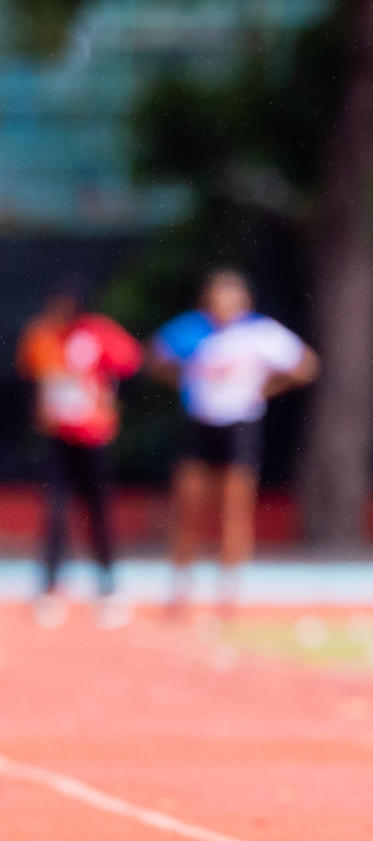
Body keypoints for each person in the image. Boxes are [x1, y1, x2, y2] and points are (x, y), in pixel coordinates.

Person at [148, 269, 318, 617]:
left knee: (233, 511)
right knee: (188, 509)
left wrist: (265, 389)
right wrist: (183, 383)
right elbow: (155, 357)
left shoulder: (259, 333)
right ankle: (180, 591)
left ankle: (228, 595)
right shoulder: (192, 329)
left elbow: (305, 365)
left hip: (240, 427)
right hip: (200, 425)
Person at [15, 277, 142, 629]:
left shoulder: (97, 332)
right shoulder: (41, 335)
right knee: (55, 513)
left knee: (99, 513)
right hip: (59, 437)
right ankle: (49, 588)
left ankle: (108, 588)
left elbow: (131, 364)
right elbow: (35, 378)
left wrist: (112, 402)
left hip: (95, 436)